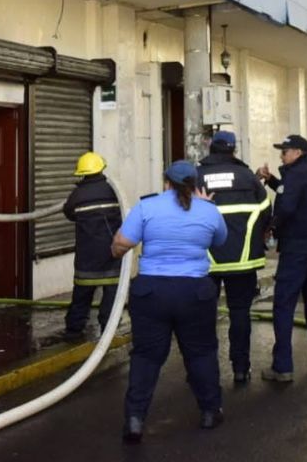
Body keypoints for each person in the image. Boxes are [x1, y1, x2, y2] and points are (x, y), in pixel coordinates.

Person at [111, 160, 228, 443]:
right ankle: (210, 411)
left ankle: (135, 419)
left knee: (146, 356)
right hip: (195, 293)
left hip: (151, 292)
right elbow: (219, 241)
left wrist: (119, 247)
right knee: (201, 353)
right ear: (195, 184)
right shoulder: (209, 211)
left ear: (166, 182)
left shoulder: (147, 207)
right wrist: (204, 209)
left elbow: (120, 245)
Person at [255, 134, 307, 382]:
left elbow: (287, 205)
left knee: (284, 302)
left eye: (285, 152)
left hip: (298, 245)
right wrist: (272, 180)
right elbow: (290, 193)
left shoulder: (295, 175)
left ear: (298, 153)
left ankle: (282, 367)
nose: (281, 156)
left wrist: (270, 227)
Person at [196, 130, 271, 385]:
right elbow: (265, 210)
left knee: (204, 316)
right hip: (243, 261)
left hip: (206, 261)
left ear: (211, 147)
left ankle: (204, 370)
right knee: (240, 313)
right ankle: (240, 368)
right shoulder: (248, 176)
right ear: (233, 150)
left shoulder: (197, 176)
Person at [62, 152, 123, 338]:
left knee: (82, 295)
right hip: (112, 254)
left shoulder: (77, 195)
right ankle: (108, 330)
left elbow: (68, 213)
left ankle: (73, 330)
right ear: (101, 169)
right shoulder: (113, 191)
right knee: (111, 295)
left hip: (86, 256)